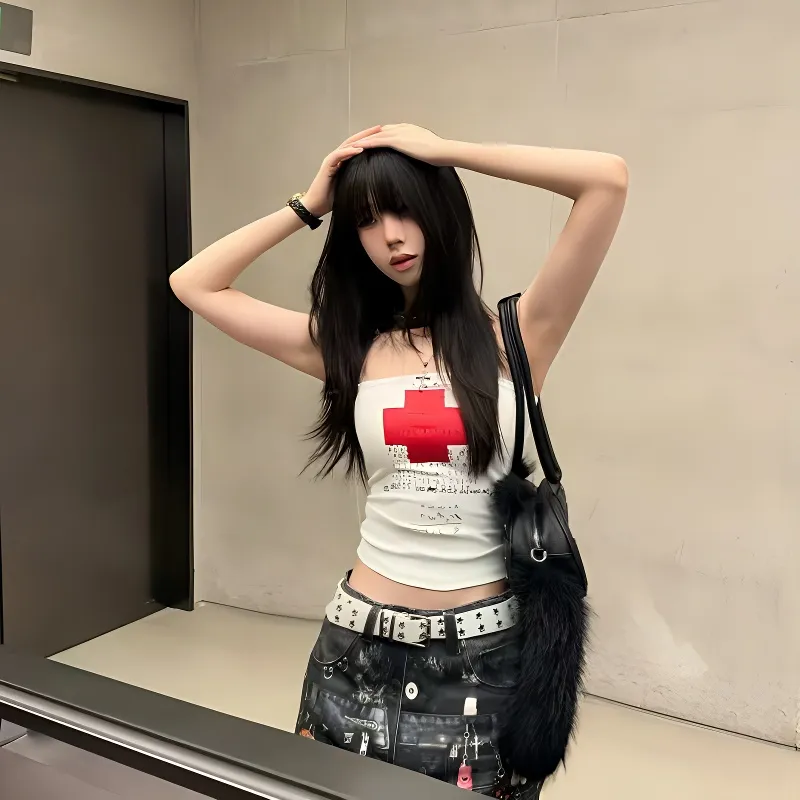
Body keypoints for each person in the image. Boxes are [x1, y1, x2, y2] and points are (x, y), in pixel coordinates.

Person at [170, 124, 627, 798]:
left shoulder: (519, 336)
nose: (390, 236)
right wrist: (310, 204)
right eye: (366, 219)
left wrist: (448, 152)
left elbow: (605, 180)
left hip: (483, 662)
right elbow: (194, 283)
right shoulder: (347, 346)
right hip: (356, 649)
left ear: (440, 209)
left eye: (405, 209)